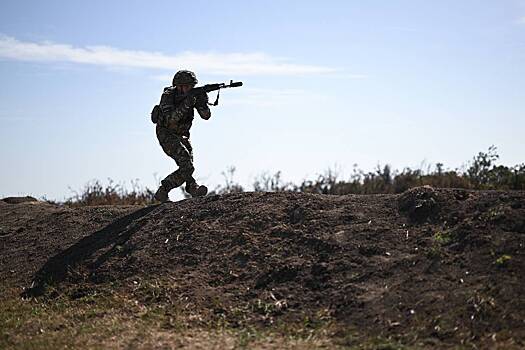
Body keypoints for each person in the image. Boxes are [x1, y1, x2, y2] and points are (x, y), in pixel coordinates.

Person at [152, 70, 211, 202]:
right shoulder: (168, 96)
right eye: (183, 86)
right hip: (165, 133)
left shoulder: (193, 96)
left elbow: (206, 116)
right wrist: (187, 104)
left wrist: (202, 103)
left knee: (188, 164)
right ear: (177, 86)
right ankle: (164, 189)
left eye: (189, 86)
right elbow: (171, 118)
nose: (186, 89)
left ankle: (191, 186)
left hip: (182, 135)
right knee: (187, 164)